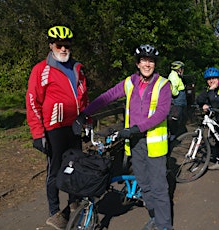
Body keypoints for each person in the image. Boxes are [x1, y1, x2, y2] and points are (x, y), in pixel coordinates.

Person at [75, 44, 173, 229]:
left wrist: (136, 128)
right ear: (137, 63)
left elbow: (161, 113)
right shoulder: (130, 82)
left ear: (155, 64)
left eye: (150, 61)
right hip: (136, 143)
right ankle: (154, 216)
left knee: (159, 187)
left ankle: (164, 225)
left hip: (154, 144)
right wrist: (85, 114)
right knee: (144, 184)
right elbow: (108, 96)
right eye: (143, 60)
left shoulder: (163, 85)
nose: (147, 64)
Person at [26, 25, 89, 229]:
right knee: (54, 171)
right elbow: (33, 101)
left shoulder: (78, 68)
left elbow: (83, 98)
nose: (63, 49)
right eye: (59, 45)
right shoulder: (41, 70)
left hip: (74, 127)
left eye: (67, 45)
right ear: (51, 45)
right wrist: (38, 133)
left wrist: (86, 121)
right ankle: (55, 212)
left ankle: (74, 202)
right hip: (54, 129)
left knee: (75, 165)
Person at [168, 61, 187, 140]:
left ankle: (175, 133)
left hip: (179, 99)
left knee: (179, 116)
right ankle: (173, 134)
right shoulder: (174, 77)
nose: (182, 70)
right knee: (175, 117)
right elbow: (173, 91)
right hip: (177, 99)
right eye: (182, 69)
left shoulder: (175, 75)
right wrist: (178, 93)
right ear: (178, 69)